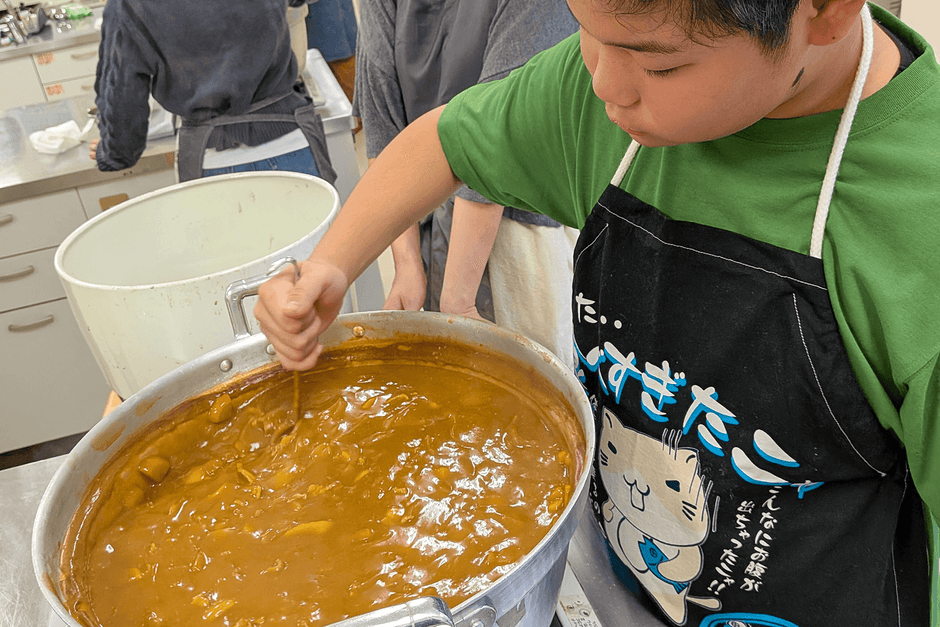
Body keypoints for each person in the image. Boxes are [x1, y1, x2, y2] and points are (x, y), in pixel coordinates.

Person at [255, 0, 940, 625]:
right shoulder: (602, 94)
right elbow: (445, 143)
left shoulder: (916, 222)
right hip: (621, 588)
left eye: (659, 63)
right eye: (584, 30)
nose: (606, 85)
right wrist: (331, 266)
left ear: (822, 12)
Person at [354, 0, 580, 363]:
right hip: (424, 211)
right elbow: (383, 125)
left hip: (508, 223)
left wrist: (444, 288)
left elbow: (499, 134)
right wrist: (410, 266)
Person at [90, 0, 336, 184]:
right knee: (317, 250)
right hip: (293, 142)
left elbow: (122, 97)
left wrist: (112, 153)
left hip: (215, 161)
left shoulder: (128, 6)